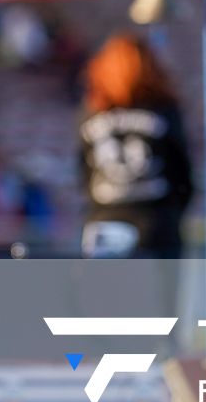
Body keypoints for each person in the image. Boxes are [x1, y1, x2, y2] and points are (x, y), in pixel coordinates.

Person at [78, 33, 194, 259]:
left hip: (105, 221)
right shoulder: (164, 112)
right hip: (155, 224)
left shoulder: (88, 115)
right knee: (156, 294)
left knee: (106, 294)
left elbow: (82, 173)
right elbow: (182, 173)